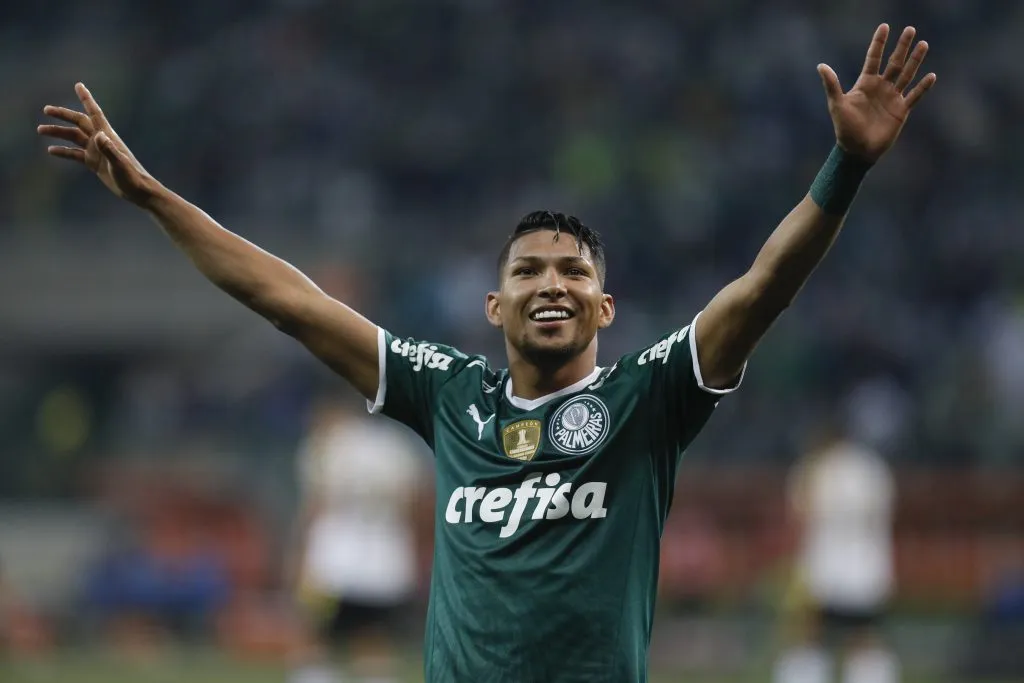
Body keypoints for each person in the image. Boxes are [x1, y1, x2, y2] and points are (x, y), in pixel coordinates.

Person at [38, 22, 936, 683]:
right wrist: (156, 198)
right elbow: (287, 299)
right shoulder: (446, 393)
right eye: (530, 270)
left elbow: (762, 288)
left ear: (606, 305)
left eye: (575, 271)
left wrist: (843, 169)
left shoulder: (649, 395)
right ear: (495, 303)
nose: (553, 282)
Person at [287, 393, 425, 683]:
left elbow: (315, 504)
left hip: (331, 560)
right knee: (373, 642)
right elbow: (413, 506)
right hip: (385, 561)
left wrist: (297, 553)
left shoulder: (327, 443)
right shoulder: (395, 445)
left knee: (315, 639)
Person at [775, 424, 898, 683]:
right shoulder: (872, 468)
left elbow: (799, 515)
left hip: (822, 567)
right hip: (867, 570)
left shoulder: (813, 467)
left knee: (809, 637)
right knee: (864, 640)